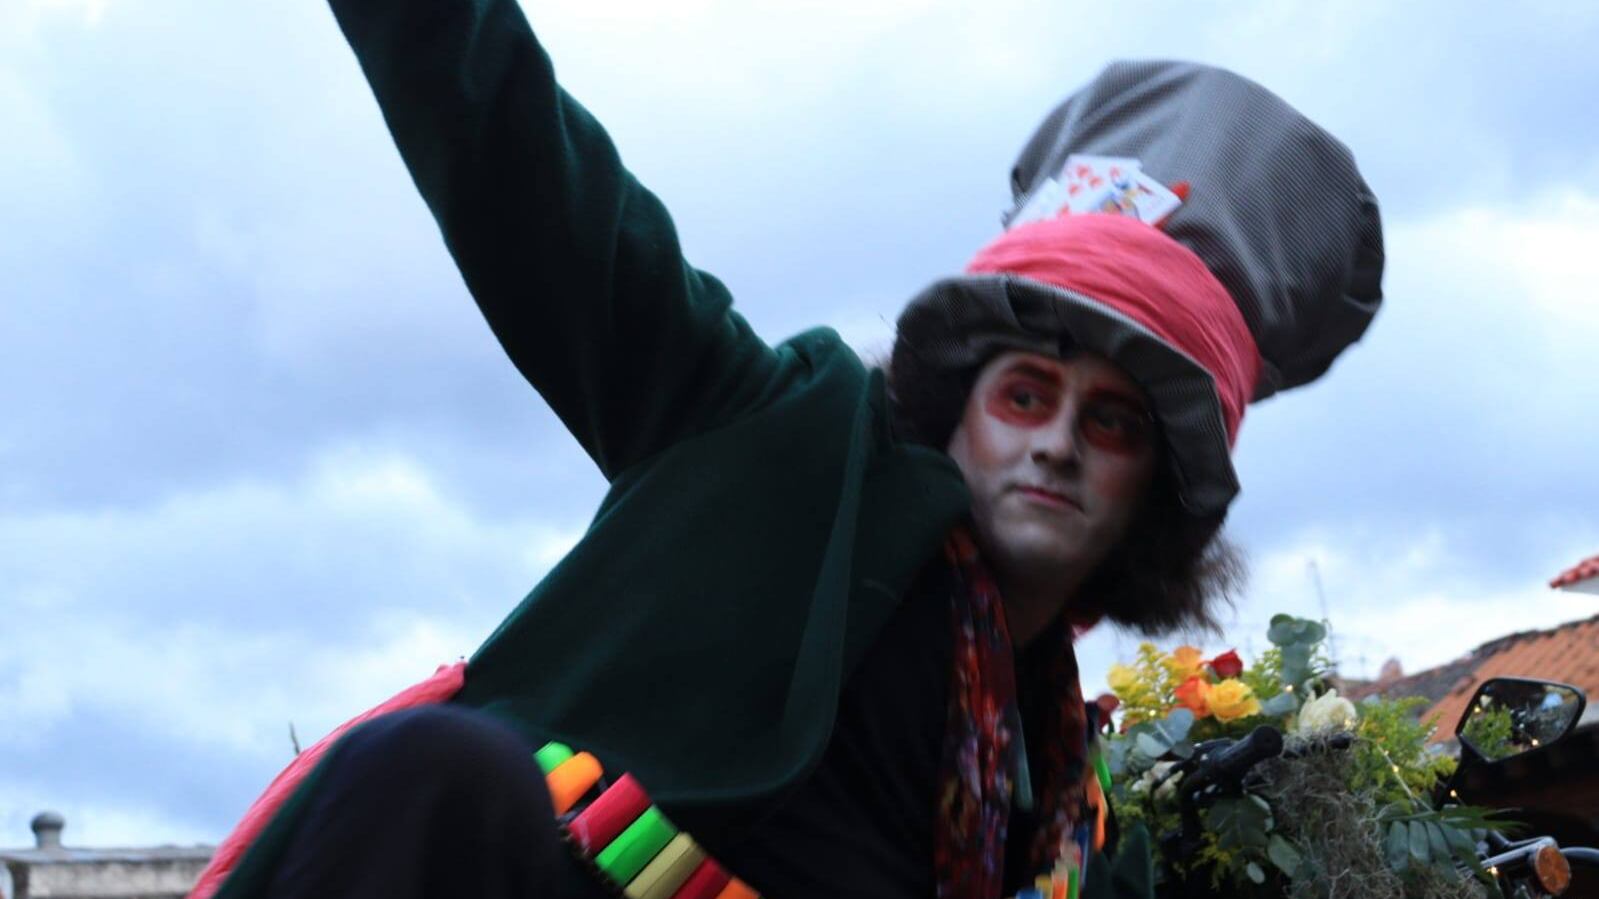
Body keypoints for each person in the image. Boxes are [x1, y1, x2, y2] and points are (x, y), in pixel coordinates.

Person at [193, 1, 1384, 897]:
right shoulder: (765, 435)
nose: (1060, 443)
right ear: (954, 404)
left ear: (1158, 493)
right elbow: (510, 152)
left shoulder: (1071, 814)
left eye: (1114, 419)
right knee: (436, 772)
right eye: (1027, 393)